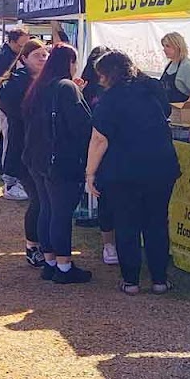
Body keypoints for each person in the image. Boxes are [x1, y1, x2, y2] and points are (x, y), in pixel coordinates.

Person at [86, 51, 179, 295]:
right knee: (157, 222)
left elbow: (99, 139)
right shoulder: (152, 86)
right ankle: (159, 279)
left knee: (127, 224)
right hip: (160, 164)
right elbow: (166, 113)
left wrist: (89, 173)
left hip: (124, 169)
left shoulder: (110, 98)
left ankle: (131, 281)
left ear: (107, 74)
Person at [23, 43, 92, 284]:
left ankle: (51, 262)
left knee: (47, 210)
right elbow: (82, 125)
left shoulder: (39, 86)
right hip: (61, 160)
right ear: (69, 64)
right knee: (61, 213)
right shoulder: (66, 88)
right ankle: (64, 266)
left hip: (38, 159)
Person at [0, 40, 48, 268]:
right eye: (38, 55)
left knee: (44, 201)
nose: (43, 59)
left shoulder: (49, 81)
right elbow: (19, 112)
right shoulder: (14, 83)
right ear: (24, 58)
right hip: (25, 151)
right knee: (37, 200)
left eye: (46, 55)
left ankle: (44, 245)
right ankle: (32, 246)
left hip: (43, 150)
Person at [79, 47, 119, 268]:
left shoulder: (118, 89)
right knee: (105, 198)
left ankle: (115, 243)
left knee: (116, 199)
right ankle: (108, 244)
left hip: (117, 150)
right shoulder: (87, 88)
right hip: (99, 148)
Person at [0, 26, 31, 201]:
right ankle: (9, 181)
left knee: (11, 140)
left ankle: (11, 179)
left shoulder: (8, 55)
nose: (23, 48)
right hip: (6, 107)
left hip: (10, 108)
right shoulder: (3, 58)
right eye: (21, 45)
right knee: (10, 141)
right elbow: (1, 84)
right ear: (12, 42)